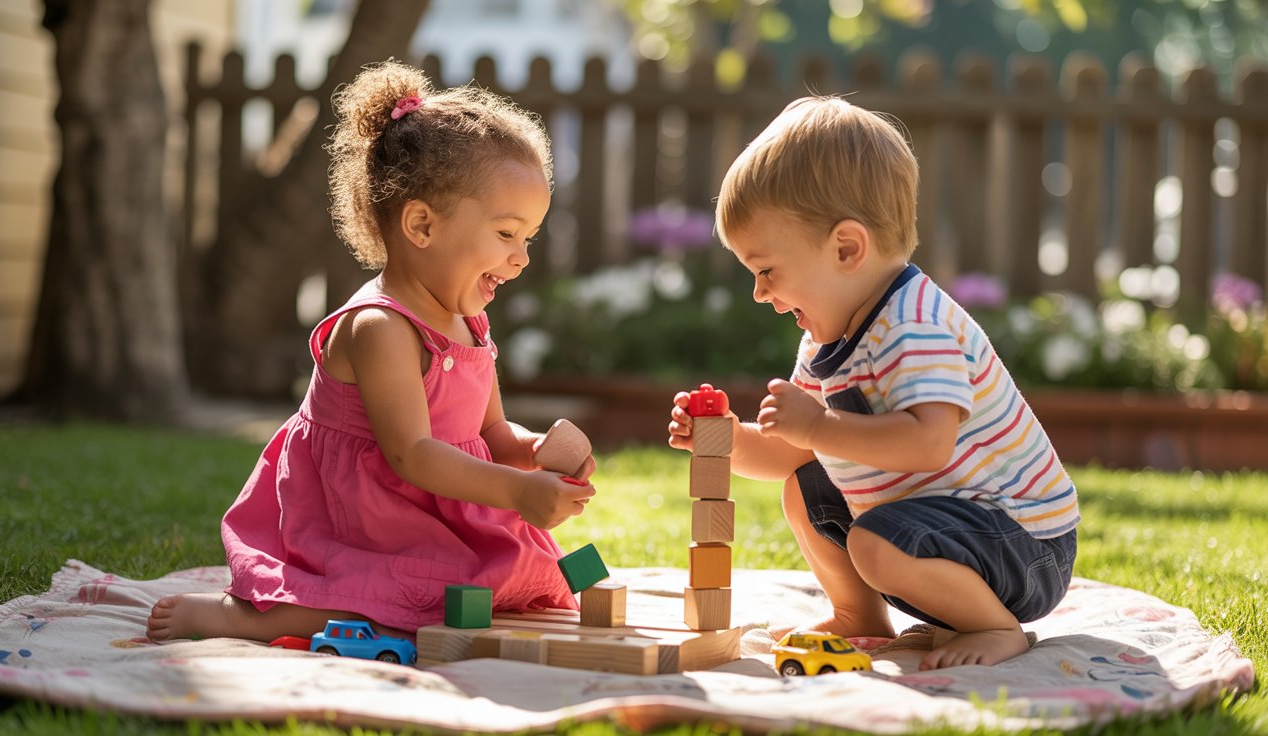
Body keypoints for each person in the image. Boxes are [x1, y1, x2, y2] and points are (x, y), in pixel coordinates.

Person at [148, 60, 596, 644]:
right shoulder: (379, 327)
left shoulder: (469, 320)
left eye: (528, 238)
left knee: (503, 592)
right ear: (421, 225)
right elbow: (412, 455)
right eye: (507, 233)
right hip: (362, 520)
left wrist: (534, 452)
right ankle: (242, 618)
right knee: (392, 607)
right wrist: (514, 492)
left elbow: (489, 434)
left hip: (439, 510)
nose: (522, 258)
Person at [668, 97, 1078, 670]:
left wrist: (819, 424)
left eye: (765, 270)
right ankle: (860, 615)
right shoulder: (827, 341)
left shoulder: (914, 327)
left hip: (1023, 543)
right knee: (803, 486)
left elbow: (928, 442)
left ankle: (996, 627)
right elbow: (792, 453)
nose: (760, 293)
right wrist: (724, 438)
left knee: (872, 541)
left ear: (846, 249)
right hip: (952, 524)